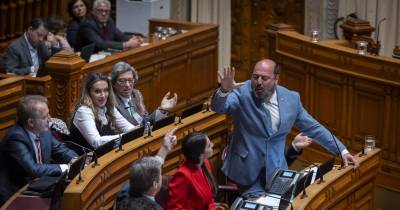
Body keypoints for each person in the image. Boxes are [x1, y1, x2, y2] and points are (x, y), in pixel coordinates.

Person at [211, 59, 359, 197]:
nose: (258, 83)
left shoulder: (291, 99)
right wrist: (224, 91)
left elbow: (314, 128)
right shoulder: (241, 92)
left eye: (264, 78)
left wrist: (342, 150)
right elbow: (219, 107)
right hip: (245, 170)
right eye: (255, 77)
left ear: (276, 79)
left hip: (276, 169)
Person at [0, 95, 78, 205]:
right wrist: (65, 167)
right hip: (18, 193)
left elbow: (61, 150)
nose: (50, 119)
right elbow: (33, 169)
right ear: (31, 122)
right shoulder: (16, 138)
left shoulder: (43, 131)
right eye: (45, 117)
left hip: (42, 185)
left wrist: (76, 160)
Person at [69, 71, 137, 154]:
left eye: (105, 90)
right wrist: (125, 136)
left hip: (104, 155)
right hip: (85, 161)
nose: (103, 95)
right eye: (97, 91)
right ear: (89, 93)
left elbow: (129, 128)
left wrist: (139, 130)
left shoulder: (109, 107)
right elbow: (96, 142)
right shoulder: (83, 111)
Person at [115, 128, 178, 210]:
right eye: (160, 174)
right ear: (155, 184)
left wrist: (165, 148)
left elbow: (150, 167)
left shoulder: (124, 192)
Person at [109, 61, 177, 126]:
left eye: (130, 80)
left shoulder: (136, 94)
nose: (127, 85)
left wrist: (162, 110)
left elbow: (146, 121)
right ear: (114, 83)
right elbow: (129, 130)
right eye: (122, 81)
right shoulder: (111, 102)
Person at [165, 132, 217, 210]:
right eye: (209, 145)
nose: (213, 145)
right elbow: (173, 208)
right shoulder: (183, 175)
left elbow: (210, 200)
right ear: (200, 154)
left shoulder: (205, 163)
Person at [76, 0, 143, 51]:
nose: (104, 13)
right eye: (100, 10)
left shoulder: (109, 21)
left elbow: (120, 36)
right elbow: (100, 44)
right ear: (93, 11)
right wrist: (126, 44)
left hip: (105, 56)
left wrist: (135, 39)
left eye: (107, 11)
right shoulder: (87, 25)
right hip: (86, 61)